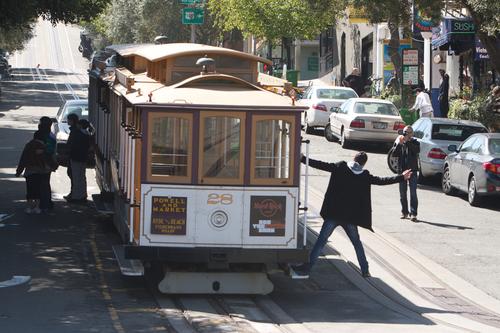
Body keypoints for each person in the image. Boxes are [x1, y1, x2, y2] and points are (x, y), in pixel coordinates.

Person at [291, 152, 412, 278]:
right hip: (350, 218)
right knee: (356, 243)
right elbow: (381, 180)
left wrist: (303, 159)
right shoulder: (365, 176)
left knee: (321, 242)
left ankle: (307, 268)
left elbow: (322, 165)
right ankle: (365, 270)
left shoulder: (340, 167)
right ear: (364, 163)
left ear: (353, 158)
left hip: (333, 214)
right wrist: (401, 177)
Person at [16, 131, 52, 214]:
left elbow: (23, 159)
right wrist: (53, 166)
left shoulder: (29, 145)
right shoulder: (43, 146)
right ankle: (37, 207)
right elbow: (48, 158)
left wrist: (19, 171)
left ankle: (29, 207)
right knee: (38, 189)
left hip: (30, 171)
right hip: (40, 171)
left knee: (30, 189)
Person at [393, 126, 420, 221]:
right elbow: (394, 154)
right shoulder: (400, 142)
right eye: (405, 132)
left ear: (412, 133)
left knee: (413, 192)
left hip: (412, 170)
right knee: (402, 193)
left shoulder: (415, 142)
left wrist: (407, 142)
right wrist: (399, 144)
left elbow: (416, 150)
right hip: (402, 171)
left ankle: (413, 213)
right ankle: (404, 212)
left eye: (409, 132)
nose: (407, 134)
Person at [65, 114, 89, 203]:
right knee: (82, 177)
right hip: (83, 158)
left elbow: (71, 145)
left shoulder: (77, 134)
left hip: (75, 157)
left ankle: (76, 197)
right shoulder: (87, 134)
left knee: (76, 177)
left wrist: (68, 152)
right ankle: (82, 195)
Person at [36, 116, 57, 210]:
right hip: (49, 161)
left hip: (39, 161)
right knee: (46, 182)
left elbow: (35, 148)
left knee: (40, 182)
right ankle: (47, 202)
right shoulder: (51, 135)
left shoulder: (38, 134)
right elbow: (52, 150)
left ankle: (42, 202)